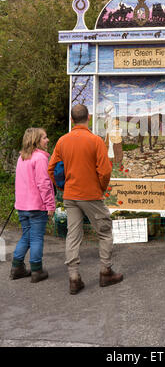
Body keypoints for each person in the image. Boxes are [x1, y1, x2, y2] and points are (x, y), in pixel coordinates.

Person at [48, 104, 123, 295]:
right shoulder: (95, 140)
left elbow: (52, 168)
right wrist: (100, 188)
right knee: (104, 232)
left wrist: (62, 187)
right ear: (88, 118)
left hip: (70, 196)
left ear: (72, 119)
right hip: (90, 195)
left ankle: (74, 278)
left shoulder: (62, 141)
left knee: (73, 236)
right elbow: (105, 170)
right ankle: (105, 272)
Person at [10, 128, 55, 282]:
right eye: (44, 137)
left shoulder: (22, 157)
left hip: (22, 206)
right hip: (37, 206)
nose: (47, 140)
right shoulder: (40, 158)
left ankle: (17, 267)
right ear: (36, 141)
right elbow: (43, 183)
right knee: (35, 238)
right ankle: (36, 270)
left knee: (27, 236)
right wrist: (50, 205)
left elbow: (21, 181)